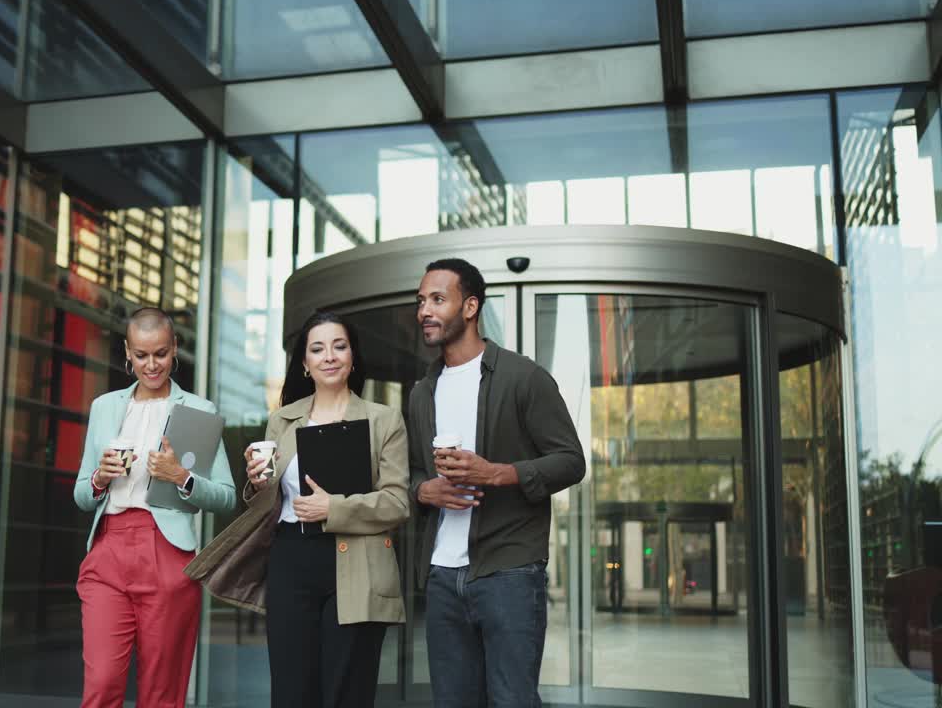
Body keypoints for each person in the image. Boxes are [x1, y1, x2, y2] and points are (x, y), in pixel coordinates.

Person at [185, 311, 410, 708]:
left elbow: (396, 502)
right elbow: (267, 502)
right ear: (304, 363)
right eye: (317, 349)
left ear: (353, 356)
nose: (329, 357)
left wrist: (333, 507)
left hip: (356, 563)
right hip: (291, 560)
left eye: (339, 346)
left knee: (346, 691)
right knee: (291, 690)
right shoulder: (282, 420)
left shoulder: (383, 419)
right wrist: (256, 484)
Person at [409, 259, 586, 708]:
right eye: (421, 301)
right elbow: (410, 473)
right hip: (443, 576)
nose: (424, 311)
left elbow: (571, 461)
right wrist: (423, 491)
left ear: (470, 307)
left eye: (437, 299)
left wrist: (498, 473)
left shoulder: (523, 377)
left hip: (509, 571)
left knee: (513, 701)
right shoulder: (420, 392)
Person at [73, 307, 237, 708]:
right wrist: (100, 477)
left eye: (160, 354)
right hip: (108, 551)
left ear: (175, 348)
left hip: (168, 553)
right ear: (127, 352)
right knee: (101, 684)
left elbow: (227, 496)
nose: (151, 365)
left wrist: (181, 476)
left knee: (162, 693)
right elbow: (81, 494)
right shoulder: (104, 407)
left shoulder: (200, 411)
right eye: (141, 355)